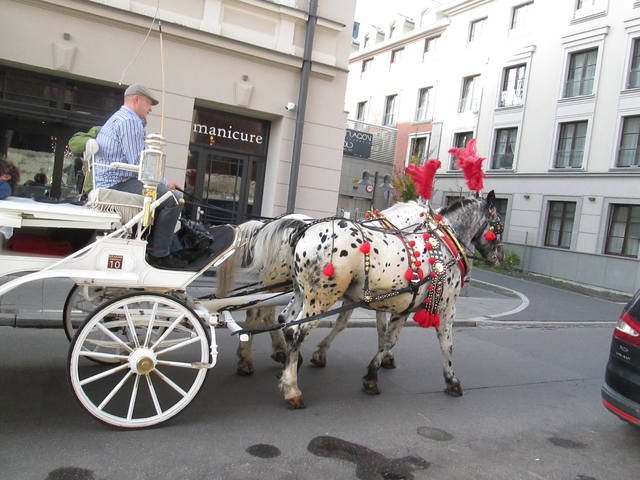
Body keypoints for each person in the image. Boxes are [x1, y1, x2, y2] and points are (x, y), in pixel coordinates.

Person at [94, 84, 186, 268]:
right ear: (136, 99)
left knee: (166, 197)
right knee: (175, 199)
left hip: (112, 182)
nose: (150, 108)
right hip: (118, 184)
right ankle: (159, 254)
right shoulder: (130, 121)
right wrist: (166, 183)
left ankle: (150, 244)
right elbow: (140, 164)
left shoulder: (118, 118)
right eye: (148, 103)